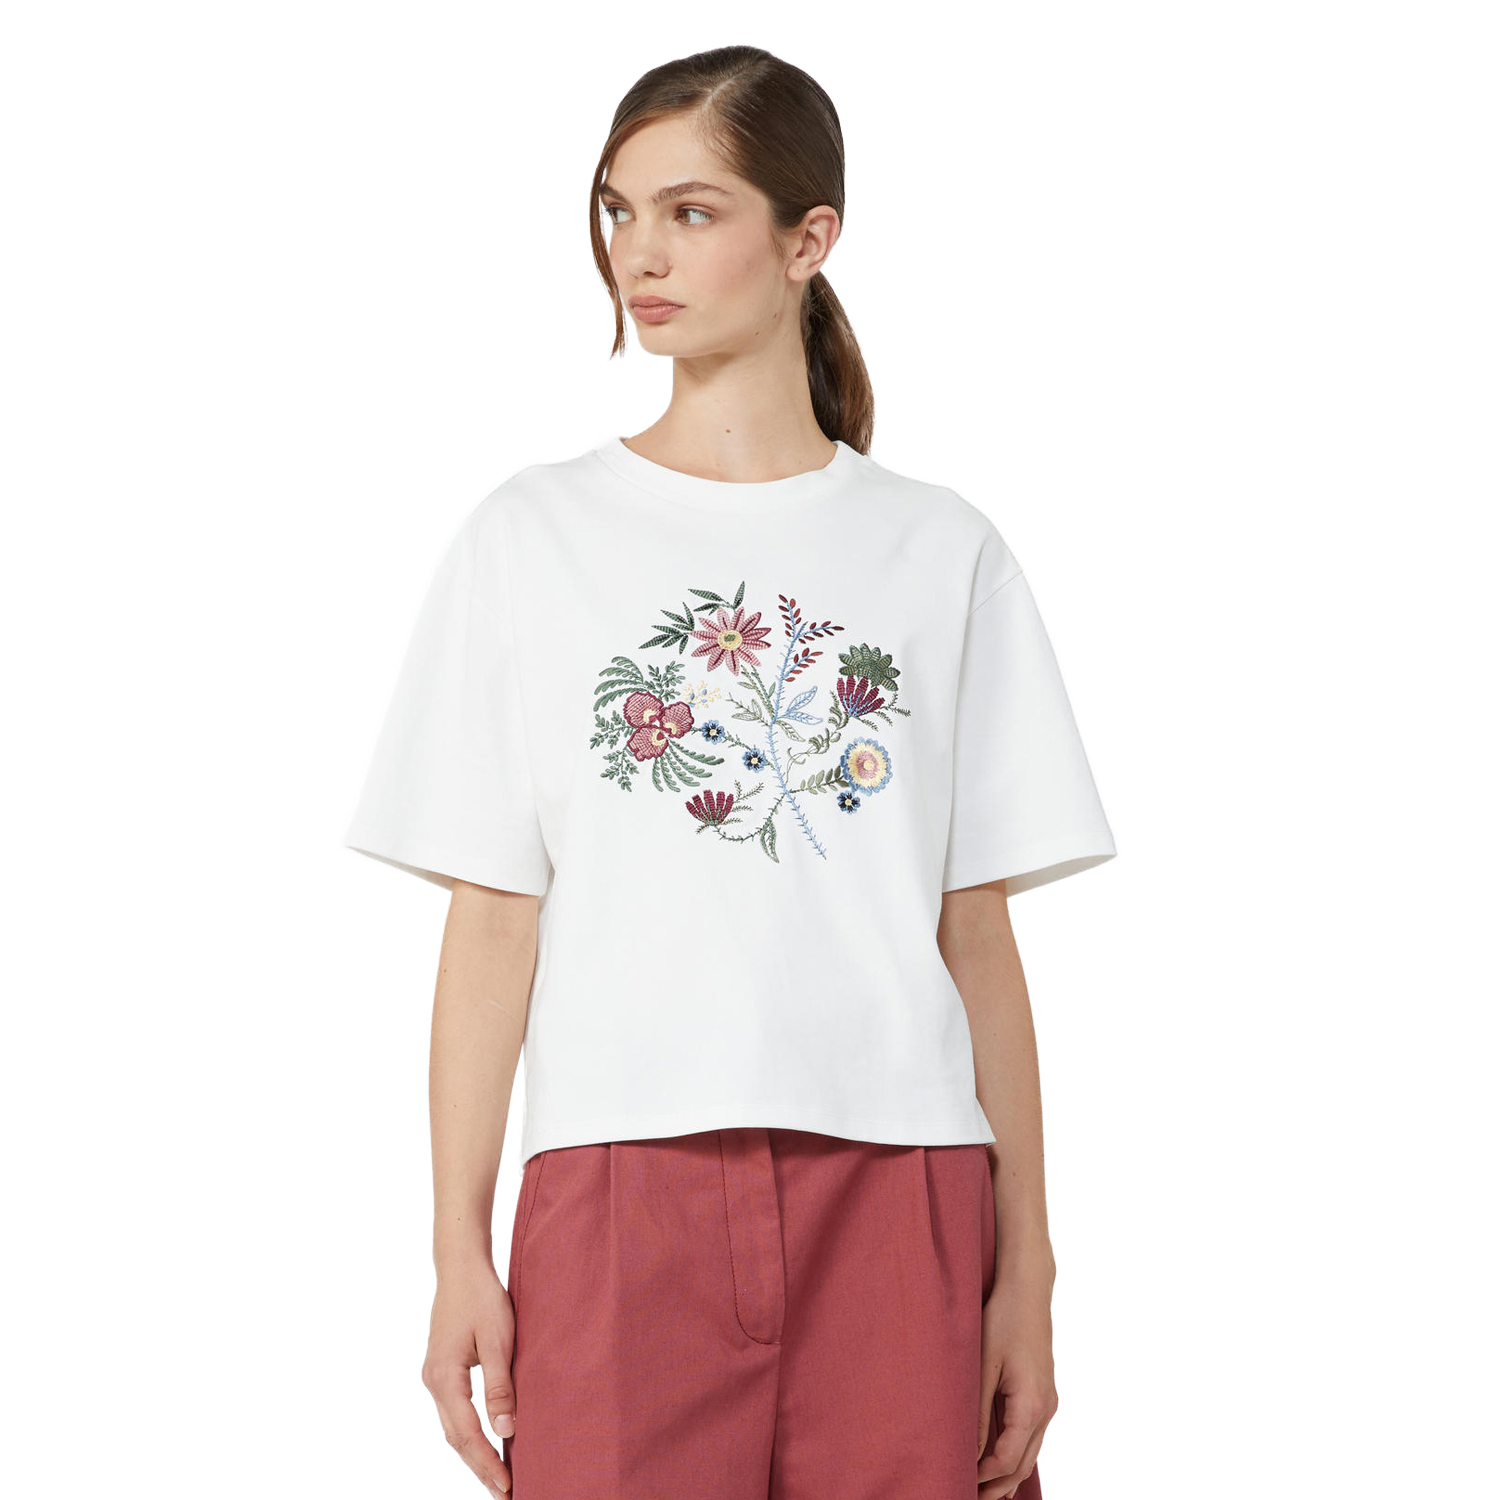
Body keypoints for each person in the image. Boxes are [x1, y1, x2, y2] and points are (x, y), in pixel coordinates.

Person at [344, 44, 1115, 1500]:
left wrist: (1031, 1272)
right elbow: (494, 920)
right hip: (616, 1192)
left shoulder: (941, 550)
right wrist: (457, 1248)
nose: (638, 254)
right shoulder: (531, 537)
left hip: (903, 1186)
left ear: (809, 239)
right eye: (618, 210)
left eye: (690, 212)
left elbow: (976, 937)